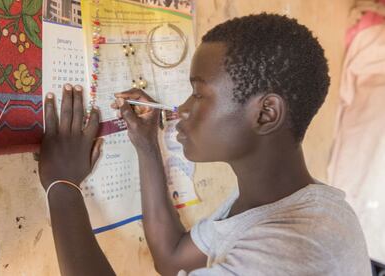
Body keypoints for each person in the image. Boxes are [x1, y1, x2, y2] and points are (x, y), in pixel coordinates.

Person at [39, 14, 371, 276]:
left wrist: (62, 184)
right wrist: (146, 145)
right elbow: (172, 258)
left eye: (199, 94)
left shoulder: (291, 251)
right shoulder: (279, 202)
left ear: (266, 113)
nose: (181, 109)